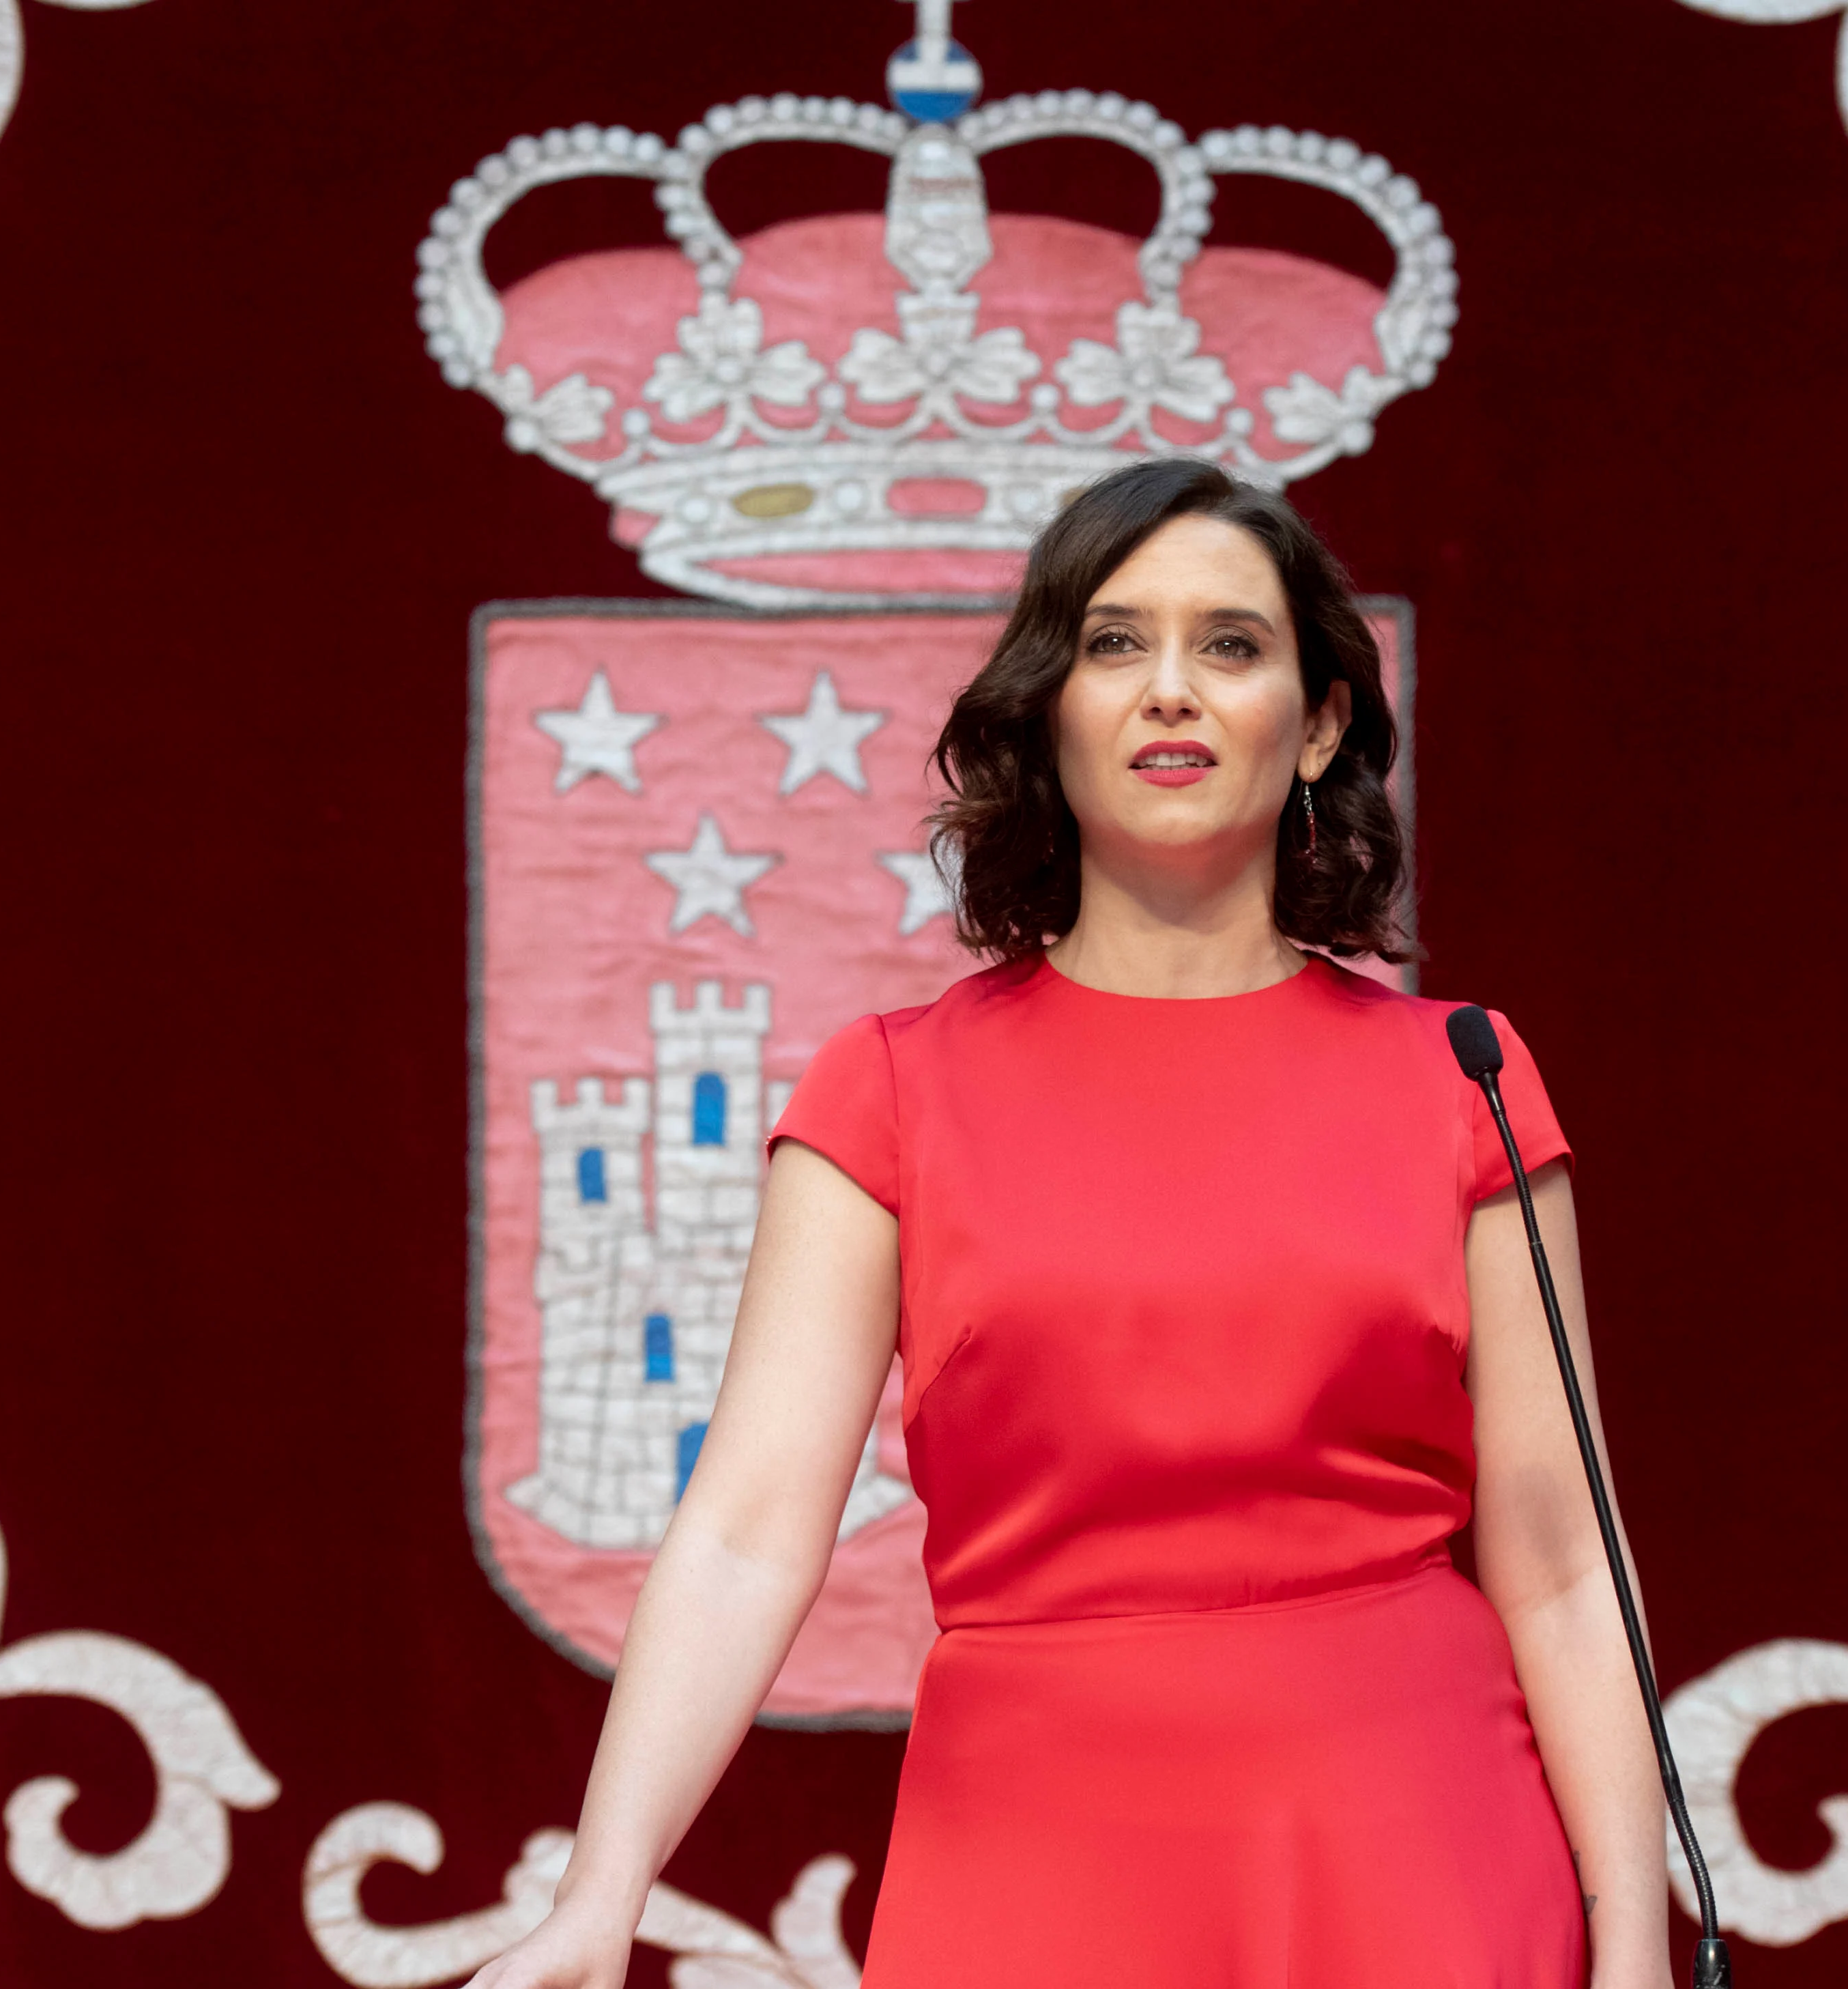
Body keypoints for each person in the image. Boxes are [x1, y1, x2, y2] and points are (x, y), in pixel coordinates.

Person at [465, 457, 1671, 1989]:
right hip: (1033, 1848)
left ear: (1316, 725)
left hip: (1418, 1837)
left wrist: (1633, 1943)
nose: (1170, 688)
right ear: (1046, 710)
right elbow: (749, 1529)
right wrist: (599, 1891)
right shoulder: (889, 1089)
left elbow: (1564, 1559)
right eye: (1113, 643)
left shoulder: (1466, 1076)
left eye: (1230, 645)